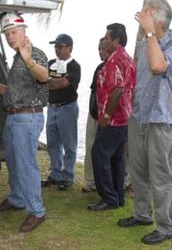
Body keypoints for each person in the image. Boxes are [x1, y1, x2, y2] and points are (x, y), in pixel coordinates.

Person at [117, 0, 172, 245]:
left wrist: (148, 32)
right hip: (140, 117)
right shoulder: (145, 42)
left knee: (161, 175)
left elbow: (158, 66)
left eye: (146, 16)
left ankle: (166, 227)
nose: (140, 19)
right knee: (139, 170)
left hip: (163, 119)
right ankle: (142, 215)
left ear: (158, 21)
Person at [0, 13, 49, 233]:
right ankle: (16, 199)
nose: (10, 37)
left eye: (13, 32)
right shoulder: (15, 59)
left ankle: (37, 211)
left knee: (26, 164)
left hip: (27, 118)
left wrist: (28, 59)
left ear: (24, 32)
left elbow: (43, 76)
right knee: (13, 162)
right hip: (13, 116)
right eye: (7, 34)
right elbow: (11, 92)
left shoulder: (35, 54)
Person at [88, 23, 136, 211]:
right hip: (125, 117)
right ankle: (118, 196)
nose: (105, 41)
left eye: (107, 38)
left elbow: (117, 90)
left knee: (99, 154)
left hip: (114, 118)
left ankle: (108, 197)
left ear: (116, 40)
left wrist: (106, 114)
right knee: (117, 157)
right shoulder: (127, 58)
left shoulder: (115, 60)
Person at [41, 34, 81, 191]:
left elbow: (63, 83)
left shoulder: (74, 66)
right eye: (55, 46)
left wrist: (49, 82)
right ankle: (55, 173)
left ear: (69, 47)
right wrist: (50, 83)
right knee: (52, 142)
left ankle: (68, 175)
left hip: (67, 108)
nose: (57, 50)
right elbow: (42, 81)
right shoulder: (51, 63)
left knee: (69, 143)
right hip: (52, 107)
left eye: (60, 46)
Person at [82, 38, 110, 193]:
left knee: (105, 151)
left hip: (107, 117)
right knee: (90, 147)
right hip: (93, 114)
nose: (101, 51)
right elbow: (94, 92)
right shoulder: (99, 67)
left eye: (103, 49)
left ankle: (105, 183)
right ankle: (90, 181)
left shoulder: (114, 67)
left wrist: (105, 115)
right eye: (99, 48)